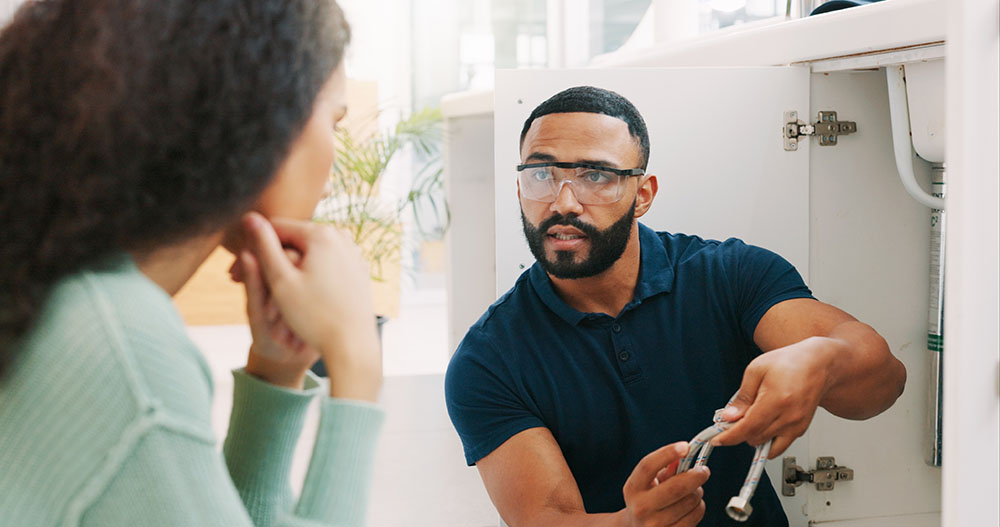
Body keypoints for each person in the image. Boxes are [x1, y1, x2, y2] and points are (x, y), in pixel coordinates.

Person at [444, 86, 907, 527]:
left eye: (596, 176)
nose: (564, 202)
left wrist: (820, 362)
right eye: (542, 174)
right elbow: (544, 516)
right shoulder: (489, 359)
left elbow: (883, 383)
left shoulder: (730, 274)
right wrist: (630, 523)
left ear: (642, 195)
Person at [0, 1, 385, 526]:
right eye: (333, 122)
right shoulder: (121, 344)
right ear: (265, 123)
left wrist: (276, 374)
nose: (334, 161)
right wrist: (356, 365)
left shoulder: (65, 293)